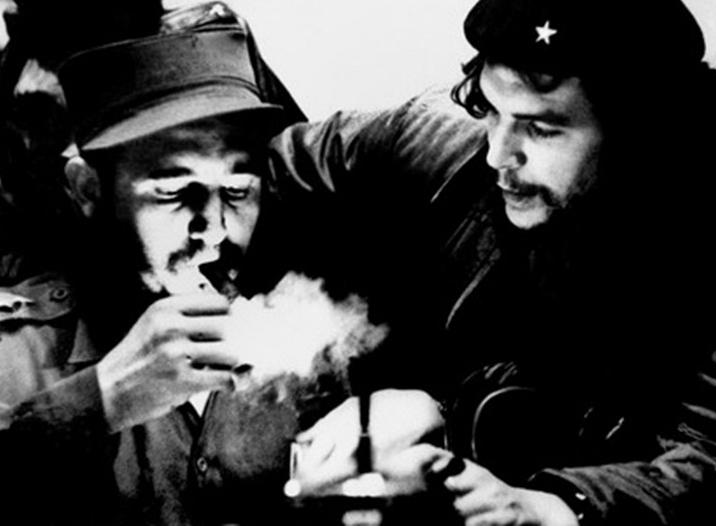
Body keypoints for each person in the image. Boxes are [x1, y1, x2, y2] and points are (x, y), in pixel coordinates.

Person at [269, 0, 716, 524]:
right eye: (490, 110)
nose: (497, 156)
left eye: (541, 128)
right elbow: (263, 167)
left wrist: (547, 507)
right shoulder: (436, 145)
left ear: (640, 138)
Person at [0, 3, 443, 525]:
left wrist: (425, 413)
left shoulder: (324, 328)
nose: (214, 227)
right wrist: (104, 398)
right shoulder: (17, 350)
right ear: (88, 189)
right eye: (173, 192)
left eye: (237, 189)